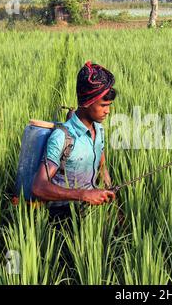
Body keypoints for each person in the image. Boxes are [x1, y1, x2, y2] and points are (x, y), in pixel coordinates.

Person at [32, 60, 117, 221]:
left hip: (89, 210)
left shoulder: (99, 130)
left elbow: (102, 165)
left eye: (110, 105)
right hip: (62, 216)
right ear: (86, 102)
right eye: (103, 105)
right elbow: (38, 187)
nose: (108, 111)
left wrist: (112, 198)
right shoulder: (62, 137)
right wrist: (84, 195)